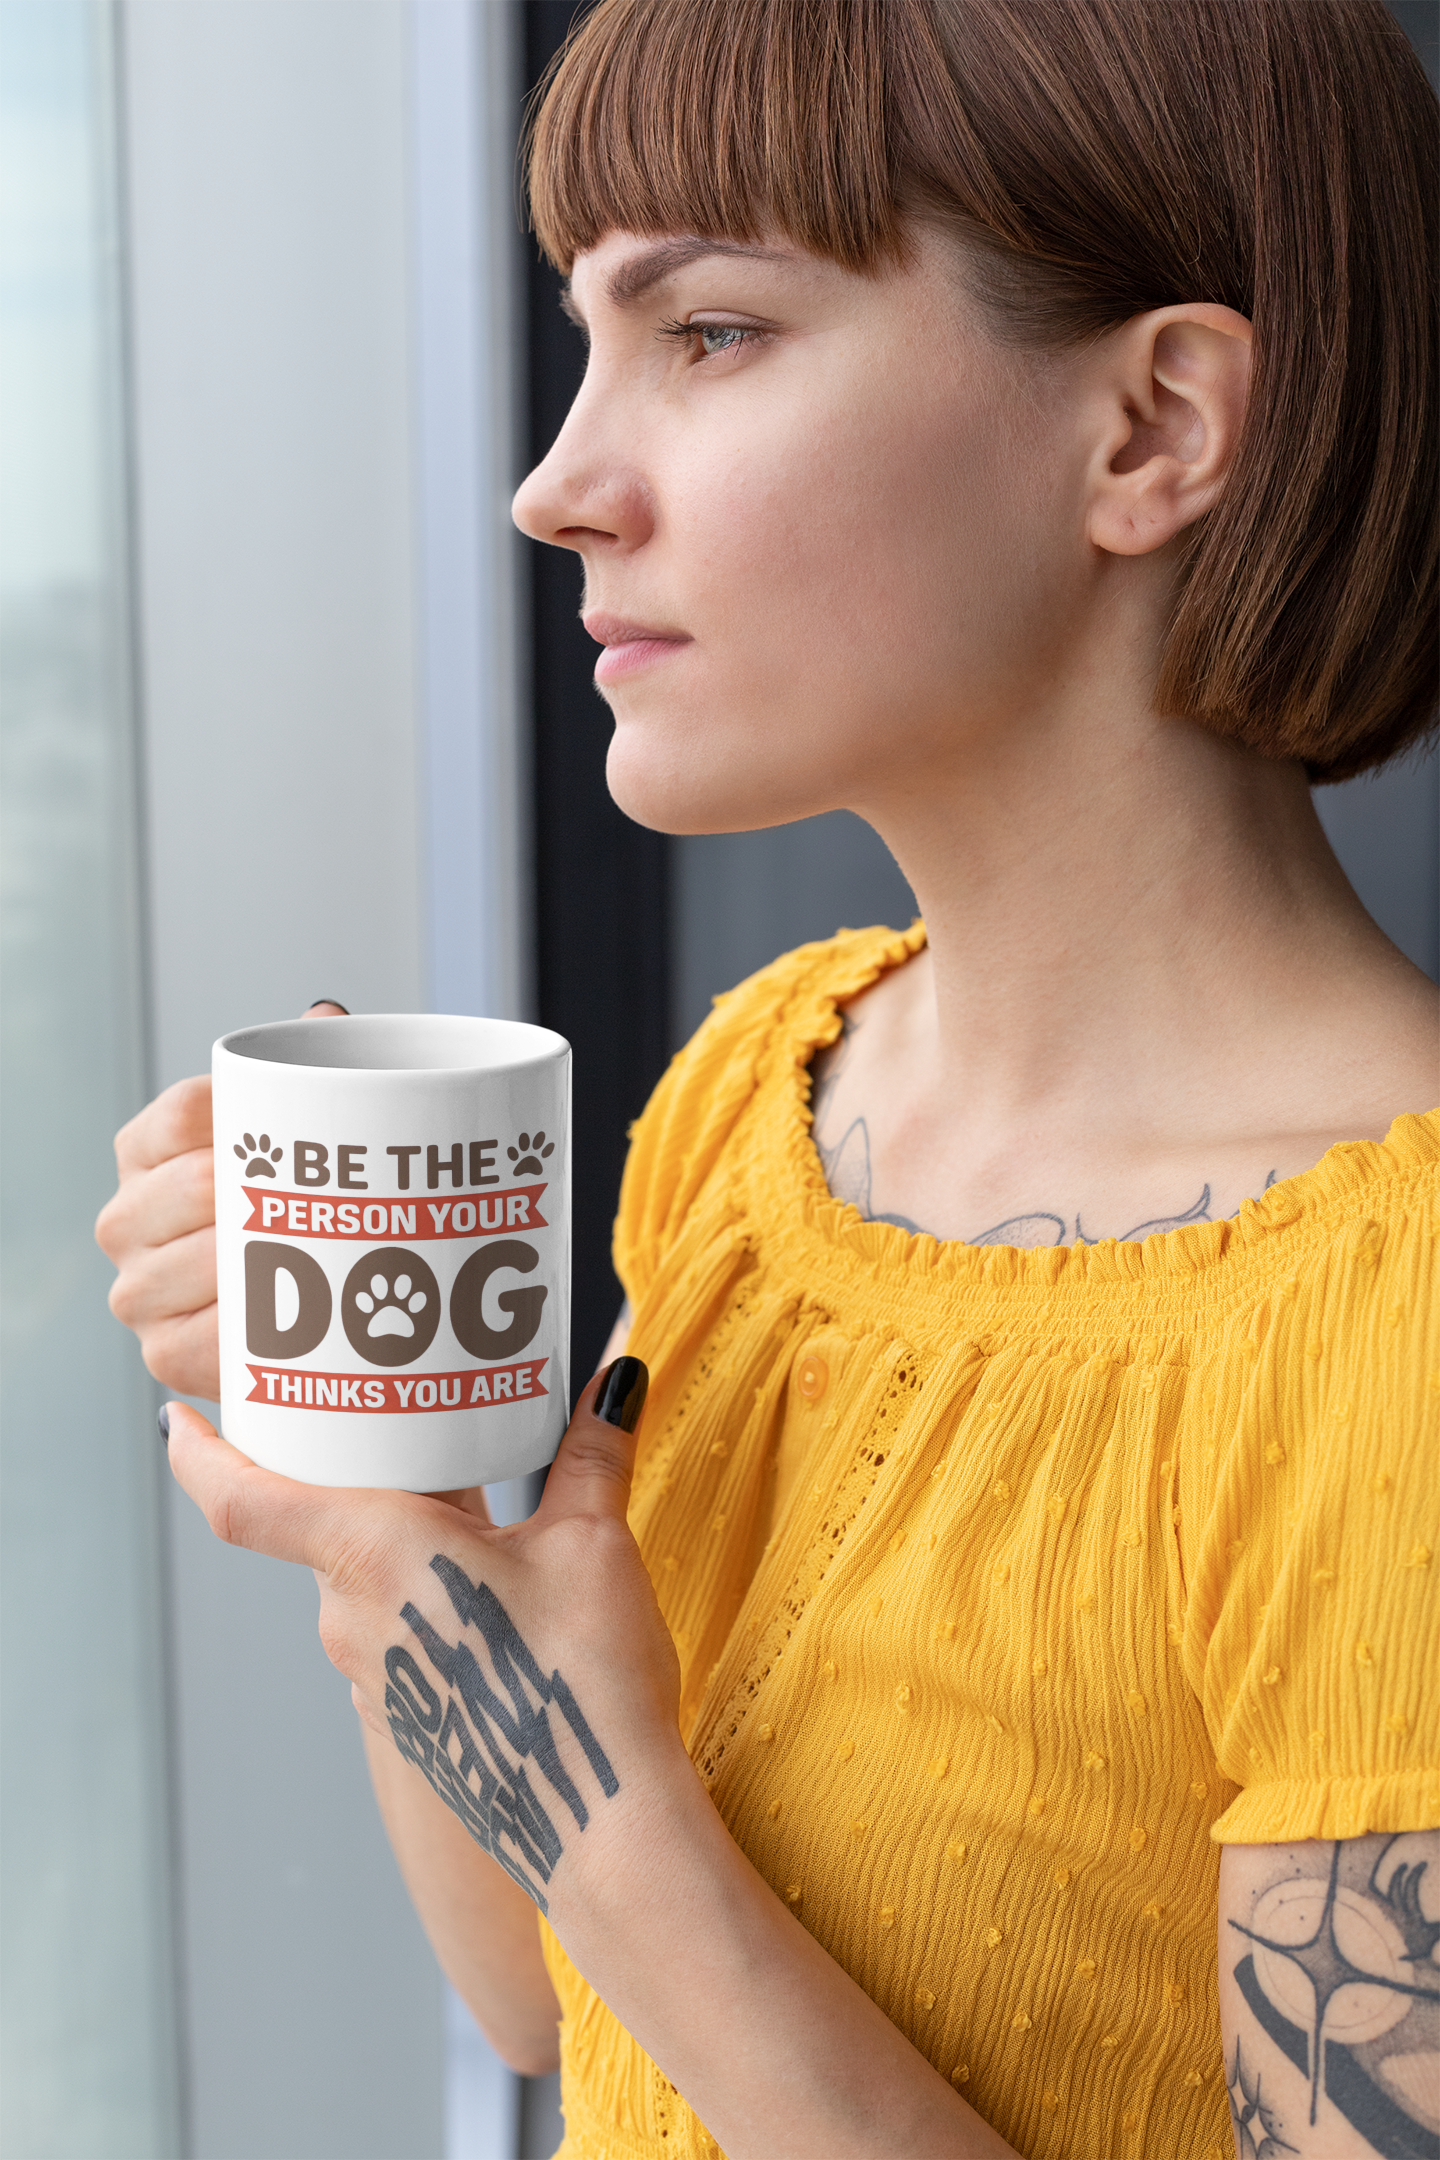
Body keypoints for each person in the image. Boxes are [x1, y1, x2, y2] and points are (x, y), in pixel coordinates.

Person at [96, 1, 1438, 2154]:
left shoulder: (1401, 1337)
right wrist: (405, 1483)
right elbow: (535, 1993)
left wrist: (618, 1826)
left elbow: (608, 1891)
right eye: (586, 339)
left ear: (1152, 427)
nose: (556, 485)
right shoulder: (769, 1093)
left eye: (709, 330)